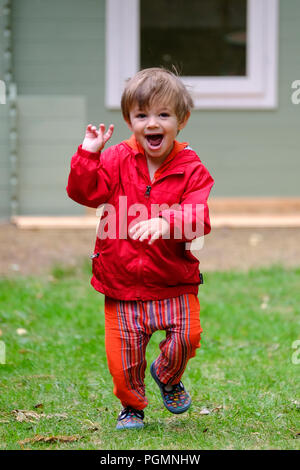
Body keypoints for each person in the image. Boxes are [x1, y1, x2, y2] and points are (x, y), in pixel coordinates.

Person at [66, 67, 214, 430]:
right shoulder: (115, 159)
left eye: (163, 114)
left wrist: (169, 223)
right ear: (129, 120)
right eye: (142, 114)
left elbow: (199, 216)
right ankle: (132, 406)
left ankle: (166, 374)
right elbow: (86, 193)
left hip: (172, 279)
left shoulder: (191, 168)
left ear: (182, 120)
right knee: (124, 358)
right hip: (121, 280)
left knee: (187, 336)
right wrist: (88, 156)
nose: (153, 123)